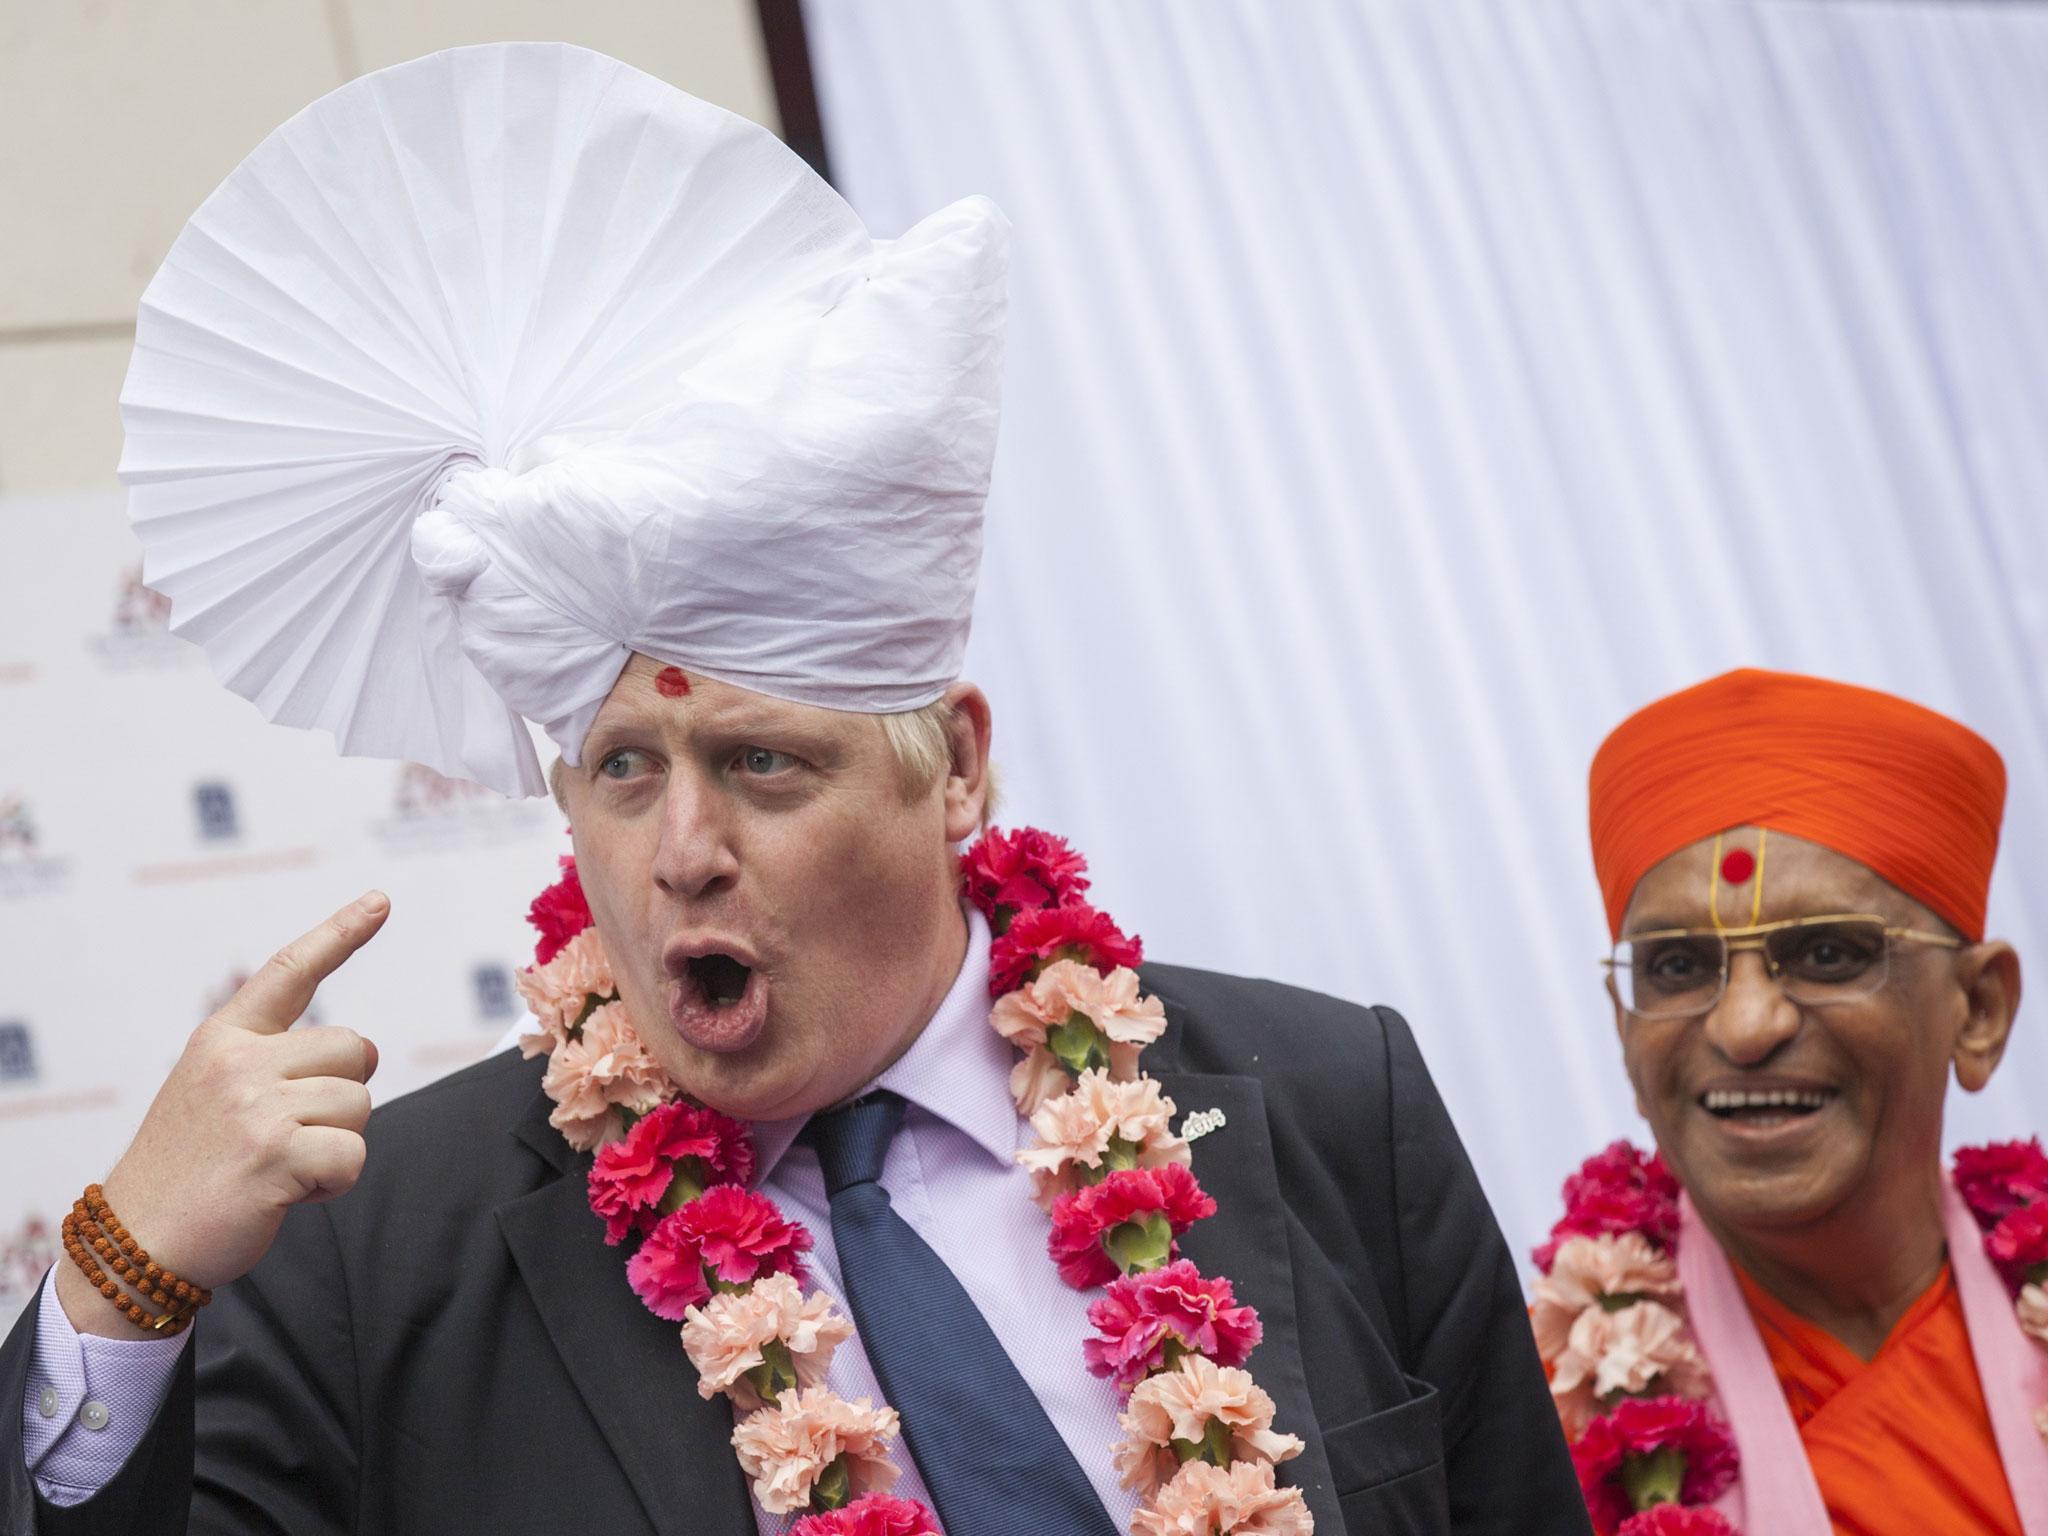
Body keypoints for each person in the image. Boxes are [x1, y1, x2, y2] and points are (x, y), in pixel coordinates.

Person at [3, 43, 1586, 1536]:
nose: (681, 851)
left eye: (762, 761)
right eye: (622, 769)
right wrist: (115, 1293)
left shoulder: (1322, 1101)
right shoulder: (371, 1247)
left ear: (955, 766)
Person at [1531, 667, 2047, 1534]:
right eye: (1678, 967)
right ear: (1627, 1027)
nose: (1745, 1025)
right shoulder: (1532, 1429)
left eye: (1828, 953)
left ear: (1980, 1009)